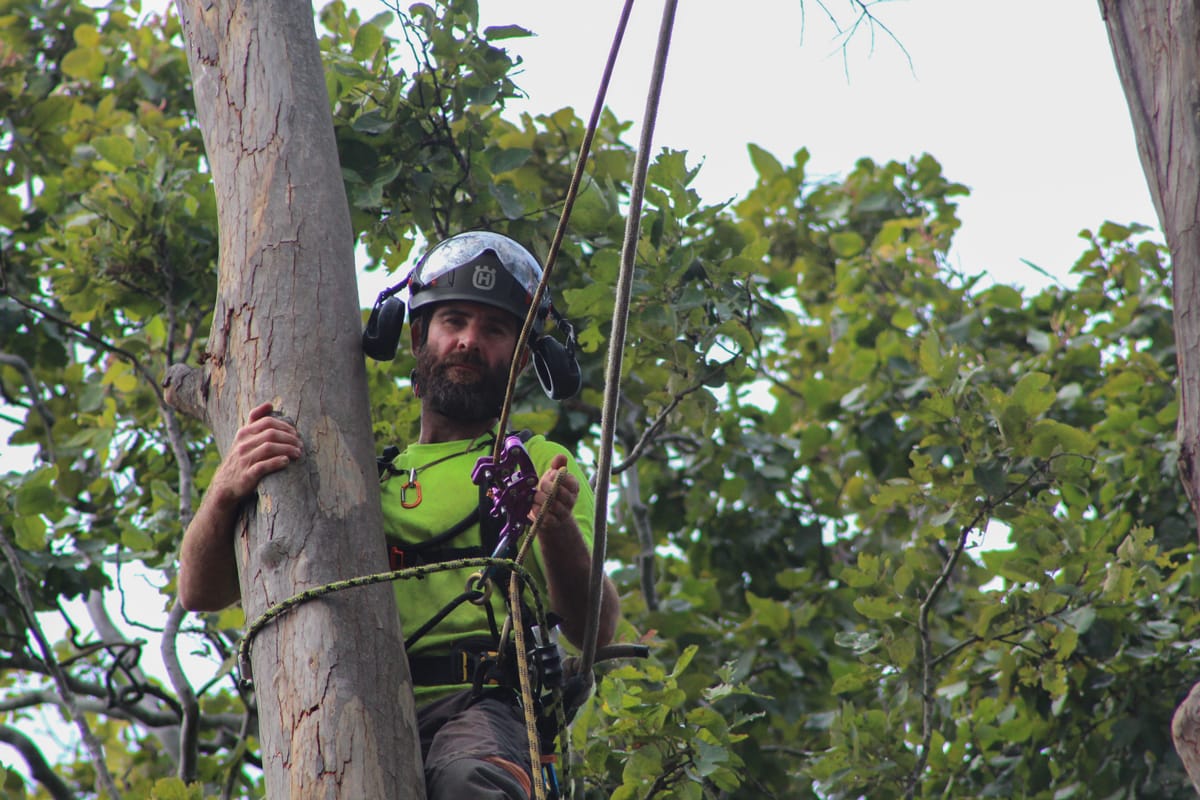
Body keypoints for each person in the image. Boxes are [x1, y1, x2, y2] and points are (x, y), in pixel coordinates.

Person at [178, 231, 621, 799]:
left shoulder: (535, 463)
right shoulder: (362, 478)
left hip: (483, 708)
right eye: (453, 321)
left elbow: (594, 631)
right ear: (417, 337)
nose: (468, 340)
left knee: (469, 784)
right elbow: (199, 592)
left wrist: (556, 528)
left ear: (521, 360)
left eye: (495, 330)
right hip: (346, 704)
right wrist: (224, 490)